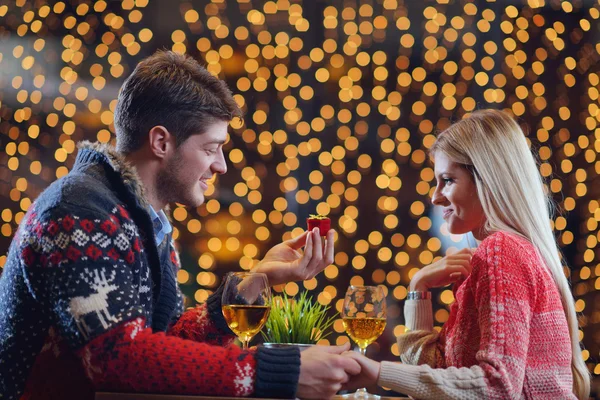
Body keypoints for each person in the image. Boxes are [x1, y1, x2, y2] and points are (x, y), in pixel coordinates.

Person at [0, 50, 360, 400]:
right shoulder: (79, 211)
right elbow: (118, 359)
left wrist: (254, 283)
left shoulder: (144, 221)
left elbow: (164, 350)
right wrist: (280, 371)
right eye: (210, 148)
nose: (220, 165)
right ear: (161, 142)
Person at [342, 109, 591, 399]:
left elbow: (496, 386)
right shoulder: (498, 255)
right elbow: (439, 377)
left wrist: (378, 372)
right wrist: (417, 290)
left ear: (487, 178)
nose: (435, 197)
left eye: (447, 180)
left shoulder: (502, 251)